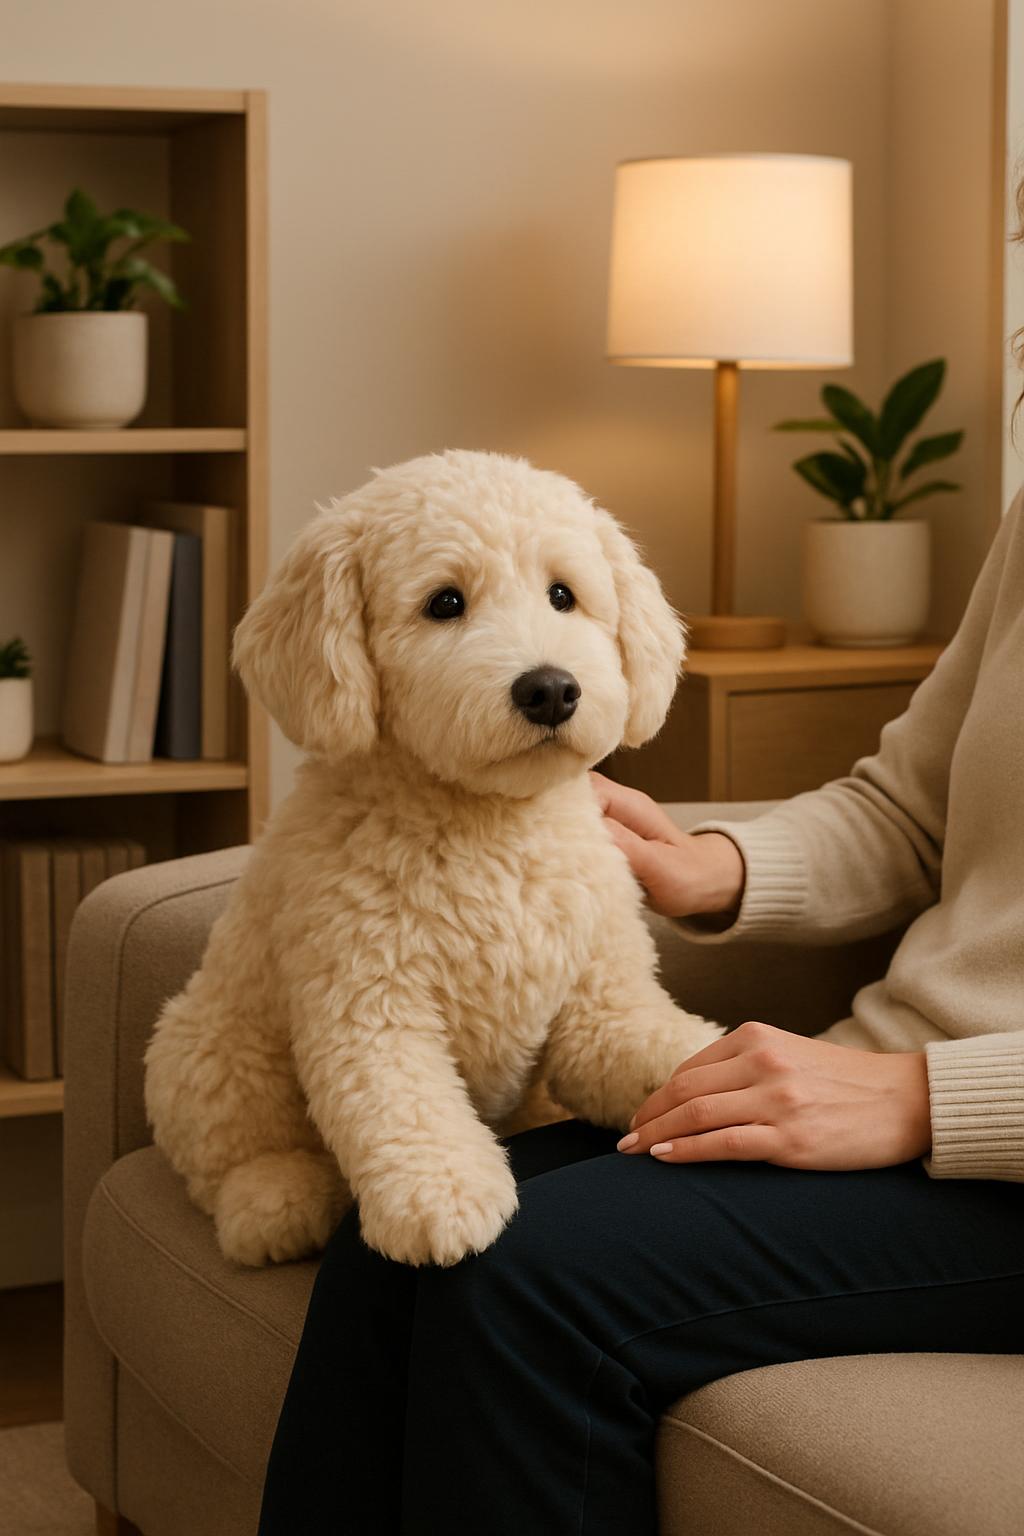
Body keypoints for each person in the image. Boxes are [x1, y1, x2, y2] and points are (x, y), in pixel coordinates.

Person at [259, 473, 1023, 1534]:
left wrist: (928, 1098)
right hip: (901, 1085)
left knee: (525, 1280)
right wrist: (719, 866)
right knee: (397, 1247)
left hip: (987, 1137)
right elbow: (913, 810)